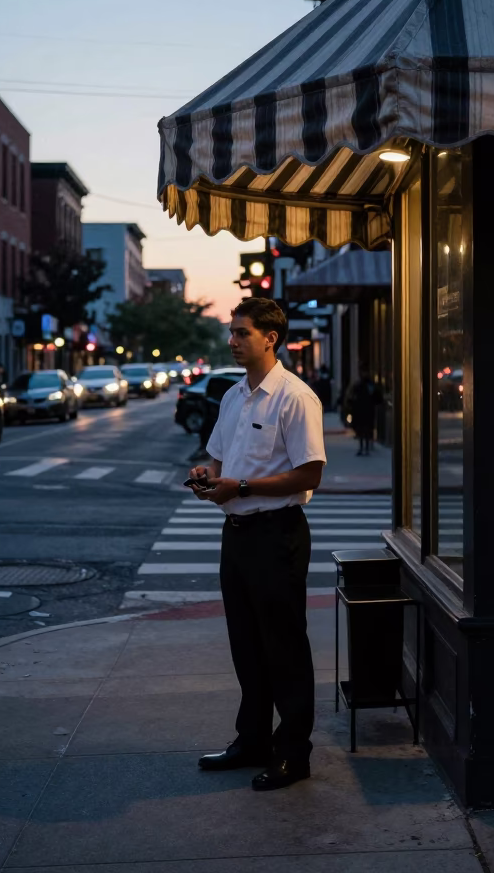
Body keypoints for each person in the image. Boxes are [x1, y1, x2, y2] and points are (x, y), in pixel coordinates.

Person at [188, 298, 326, 792]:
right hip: (238, 535)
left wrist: (242, 488)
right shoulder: (232, 396)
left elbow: (311, 472)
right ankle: (252, 741)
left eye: (242, 332)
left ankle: (294, 754)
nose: (232, 340)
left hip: (278, 535)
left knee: (284, 648)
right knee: (246, 646)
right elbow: (221, 461)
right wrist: (209, 477)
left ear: (270, 337)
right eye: (232, 331)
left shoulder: (295, 396)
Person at [347, 368, 382, 456]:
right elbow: (352, 397)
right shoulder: (360, 385)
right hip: (362, 410)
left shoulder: (368, 385)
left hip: (367, 410)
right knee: (362, 430)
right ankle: (363, 447)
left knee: (366, 430)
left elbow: (377, 397)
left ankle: (365, 447)